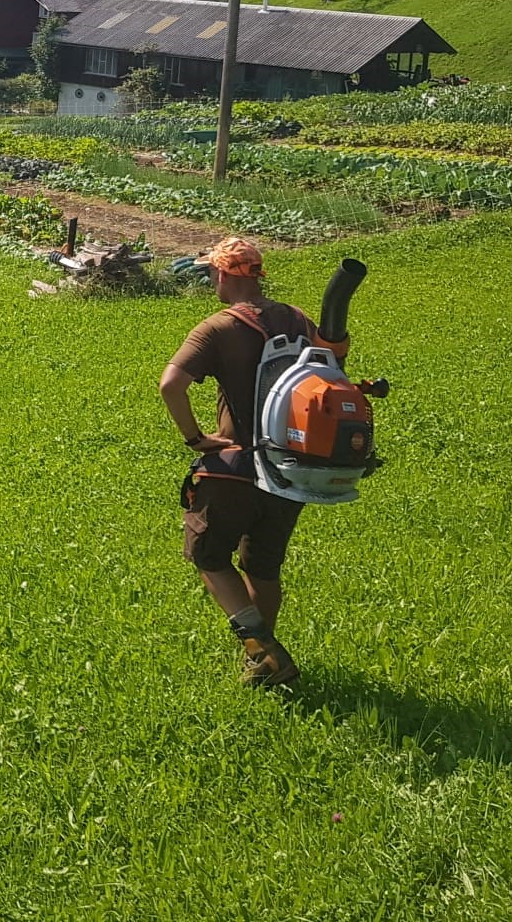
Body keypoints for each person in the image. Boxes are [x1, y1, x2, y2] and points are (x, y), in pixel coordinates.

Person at [159, 237, 347, 688]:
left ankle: (262, 649)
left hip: (237, 467)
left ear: (224, 275)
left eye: (212, 273)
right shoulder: (299, 319)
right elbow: (333, 368)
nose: (211, 280)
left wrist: (196, 439)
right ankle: (264, 660)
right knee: (262, 566)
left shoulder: (217, 328)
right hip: (293, 468)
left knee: (207, 554)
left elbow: (170, 385)